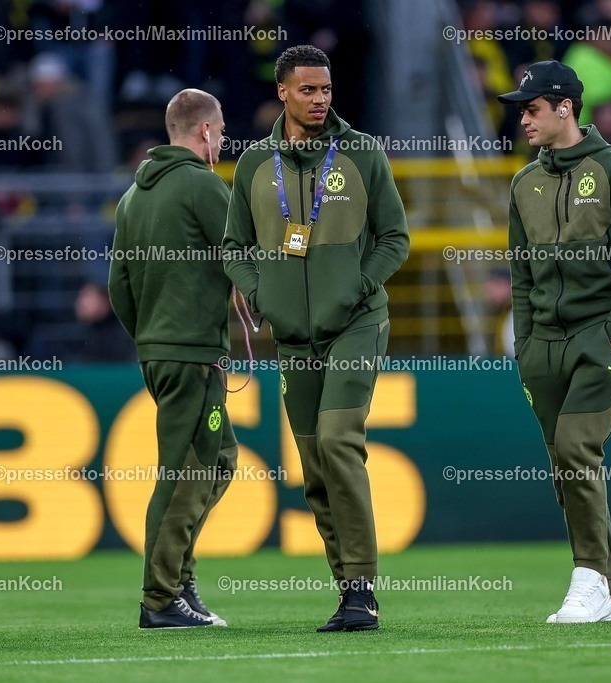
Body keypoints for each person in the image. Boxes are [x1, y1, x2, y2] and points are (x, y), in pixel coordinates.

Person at [222, 45, 409, 632]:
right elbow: (233, 248)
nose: (320, 99)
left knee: (336, 439)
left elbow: (395, 238)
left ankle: (363, 592)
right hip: (294, 341)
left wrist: (359, 286)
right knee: (314, 469)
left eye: (326, 89)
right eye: (307, 90)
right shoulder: (254, 164)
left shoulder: (361, 153)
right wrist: (261, 295)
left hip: (357, 324)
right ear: (282, 92)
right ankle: (350, 594)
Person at [497, 60, 611, 623]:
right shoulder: (523, 183)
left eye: (532, 110)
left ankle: (589, 580)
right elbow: (519, 272)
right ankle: (605, 590)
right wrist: (525, 340)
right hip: (542, 343)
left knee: (578, 451)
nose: (524, 122)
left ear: (565, 108)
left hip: (597, 337)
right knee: (565, 466)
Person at [108, 88, 237, 629]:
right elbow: (243, 257)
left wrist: (151, 336)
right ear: (204, 132)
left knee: (219, 461)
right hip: (191, 353)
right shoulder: (203, 187)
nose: (224, 139)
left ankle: (179, 579)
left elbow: (118, 286)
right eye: (222, 129)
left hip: (162, 351)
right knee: (189, 470)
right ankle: (160, 597)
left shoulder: (132, 198)